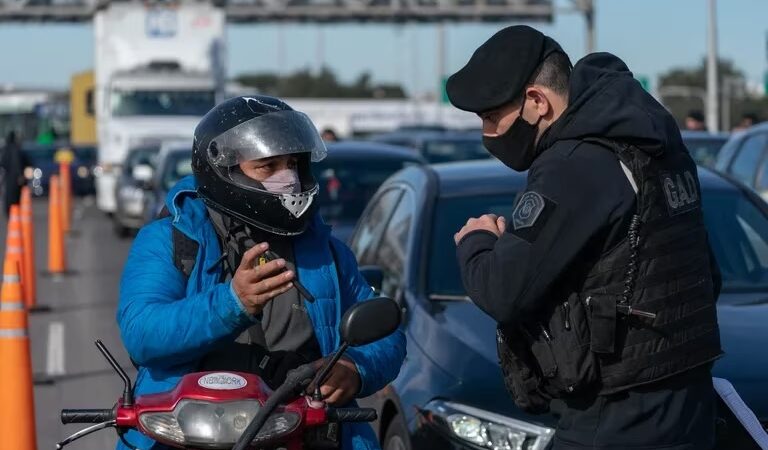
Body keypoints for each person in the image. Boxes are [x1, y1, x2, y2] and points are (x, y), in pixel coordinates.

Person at [446, 26, 722, 450]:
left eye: (489, 118)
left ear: (536, 102)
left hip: (616, 416)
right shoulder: (653, 144)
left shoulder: (572, 164)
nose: (486, 134)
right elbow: (703, 272)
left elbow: (504, 291)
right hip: (689, 405)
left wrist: (477, 242)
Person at [116, 96, 406, 450]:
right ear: (223, 170)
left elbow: (385, 334)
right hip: (186, 434)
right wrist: (232, 304)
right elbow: (141, 330)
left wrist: (355, 368)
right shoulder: (169, 239)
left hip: (304, 431)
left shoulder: (325, 249)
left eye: (293, 165)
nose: (288, 179)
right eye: (268, 167)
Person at [2, 131, 24, 215]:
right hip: (15, 177)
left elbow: (3, 163)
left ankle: (9, 211)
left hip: (8, 177)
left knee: (8, 195)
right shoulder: (16, 149)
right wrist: (20, 175)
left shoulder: (6, 148)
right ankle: (15, 211)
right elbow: (18, 163)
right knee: (16, 196)